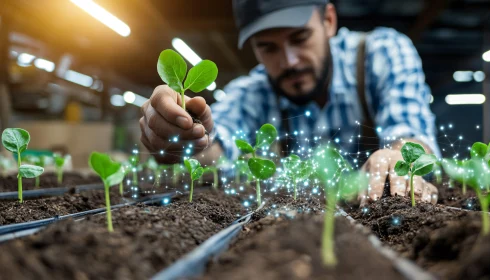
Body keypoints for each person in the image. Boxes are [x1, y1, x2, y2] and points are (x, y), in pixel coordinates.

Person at [140, 0, 440, 204]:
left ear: (329, 21)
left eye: (300, 38)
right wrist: (181, 138)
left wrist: (400, 156)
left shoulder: (382, 52)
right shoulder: (254, 91)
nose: (289, 61)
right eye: (268, 48)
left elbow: (411, 127)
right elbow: (216, 147)